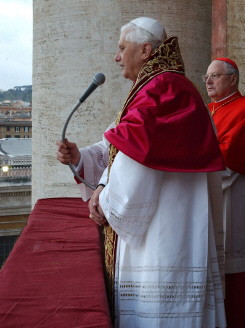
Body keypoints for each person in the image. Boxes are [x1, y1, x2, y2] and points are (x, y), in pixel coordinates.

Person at [57, 17, 227, 328]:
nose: (116, 56)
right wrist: (82, 157)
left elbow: (136, 159)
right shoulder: (163, 86)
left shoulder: (161, 90)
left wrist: (105, 198)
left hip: (163, 234)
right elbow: (122, 140)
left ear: (146, 50)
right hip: (176, 224)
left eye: (122, 48)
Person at [204, 58, 245, 328]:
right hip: (209, 196)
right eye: (207, 76)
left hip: (233, 196)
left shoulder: (242, 109)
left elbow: (229, 156)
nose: (208, 81)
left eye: (215, 76)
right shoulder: (209, 109)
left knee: (232, 264)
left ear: (233, 79)